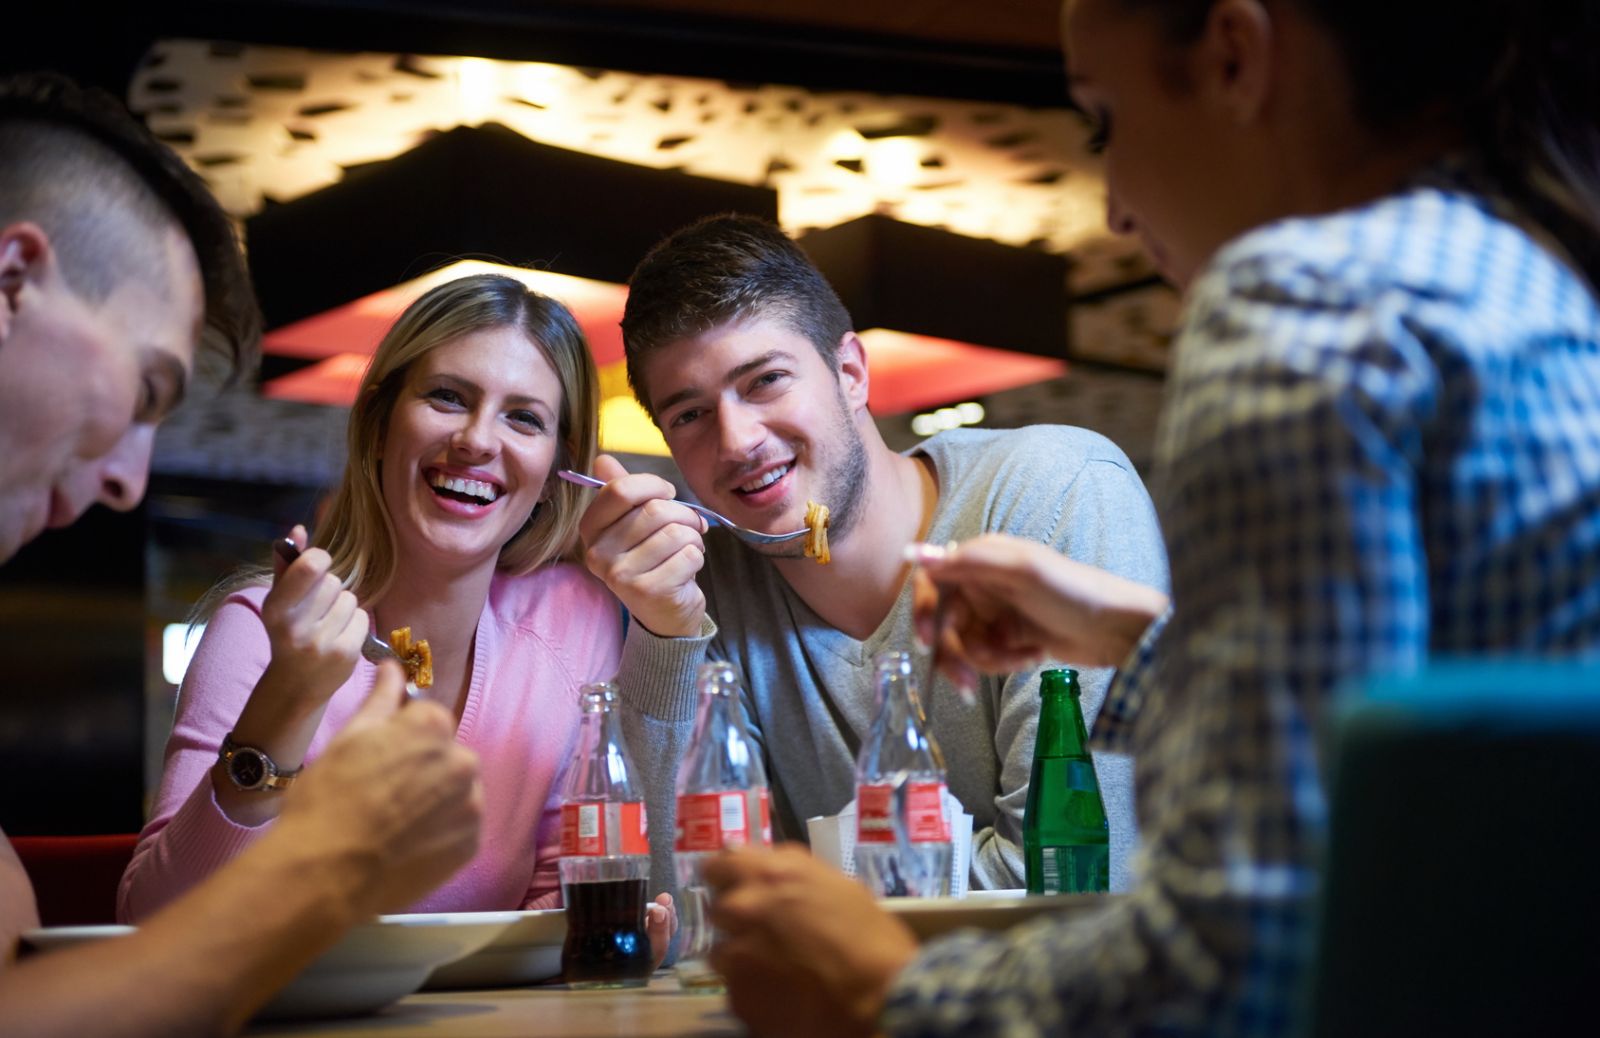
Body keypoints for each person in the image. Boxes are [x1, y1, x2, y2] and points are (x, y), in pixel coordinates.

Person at [698, 0, 1600, 1035]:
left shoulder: (1306, 302)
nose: (1115, 208)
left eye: (1102, 122)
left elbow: (1233, 958)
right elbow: (1431, 724)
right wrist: (1132, 635)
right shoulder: (1527, 273)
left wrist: (883, 988)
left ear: (1234, 56)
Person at [0, 72, 482, 1035]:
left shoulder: (573, 622)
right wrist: (327, 862)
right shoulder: (254, 620)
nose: (130, 479)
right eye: (145, 390)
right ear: (11, 282)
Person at [580, 213, 1169, 903]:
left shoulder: (1056, 492)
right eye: (689, 415)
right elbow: (673, 912)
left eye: (765, 380)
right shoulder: (699, 589)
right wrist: (666, 634)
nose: (736, 441)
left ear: (850, 371)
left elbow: (1076, 880)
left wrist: (799, 889)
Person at [118, 273, 675, 959]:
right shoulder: (259, 626)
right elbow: (153, 924)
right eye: (448, 397)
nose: (476, 439)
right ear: (380, 425)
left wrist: (598, 930)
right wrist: (288, 696)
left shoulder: (575, 616)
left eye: (523, 417)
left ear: (556, 470)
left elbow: (558, 888)